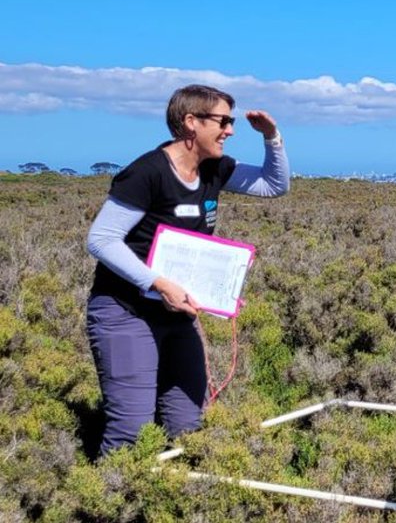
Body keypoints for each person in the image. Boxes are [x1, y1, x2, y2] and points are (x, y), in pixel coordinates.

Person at [85, 84, 290, 455]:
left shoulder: (214, 169)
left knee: (189, 426)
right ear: (190, 122)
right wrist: (158, 283)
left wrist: (272, 138)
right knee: (130, 430)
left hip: (178, 314)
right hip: (125, 311)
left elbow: (273, 185)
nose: (230, 130)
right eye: (223, 121)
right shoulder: (147, 173)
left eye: (231, 121)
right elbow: (101, 239)